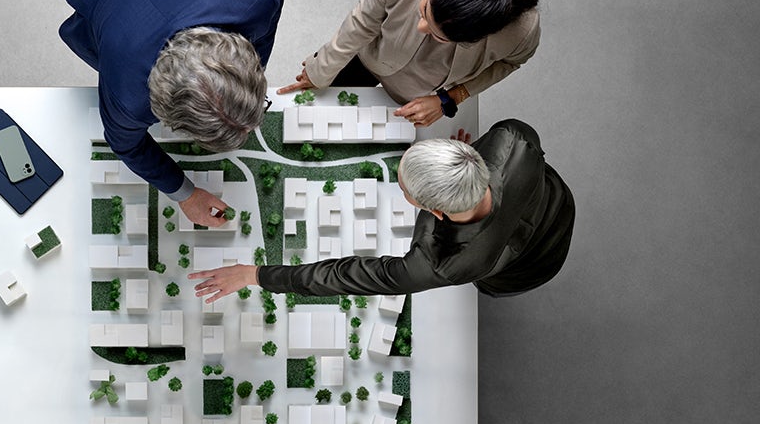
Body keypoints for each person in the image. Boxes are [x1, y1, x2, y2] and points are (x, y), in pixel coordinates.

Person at [60, 0, 285, 226]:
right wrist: (186, 194)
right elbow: (126, 144)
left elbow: (269, 12)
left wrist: (253, 71)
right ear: (166, 112)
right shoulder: (127, 94)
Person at [189, 119, 574, 299]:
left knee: (489, 284)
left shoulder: (440, 264)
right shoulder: (513, 137)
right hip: (557, 204)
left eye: (405, 191)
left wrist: (255, 274)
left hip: (527, 267)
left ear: (435, 213)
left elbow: (341, 277)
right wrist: (462, 161)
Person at [278, 0, 539, 127]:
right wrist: (320, 71)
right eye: (425, 10)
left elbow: (511, 63)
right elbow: (362, 23)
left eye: (438, 35)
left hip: (426, 93)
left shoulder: (522, 32)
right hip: (372, 59)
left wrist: (449, 99)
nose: (420, 27)